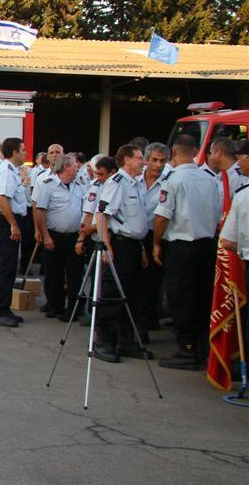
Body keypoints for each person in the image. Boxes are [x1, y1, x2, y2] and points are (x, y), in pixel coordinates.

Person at [153, 134, 221, 370]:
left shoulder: (173, 180)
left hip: (182, 247)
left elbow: (162, 217)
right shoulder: (209, 179)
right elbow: (216, 212)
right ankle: (201, 347)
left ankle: (187, 350)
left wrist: (156, 243)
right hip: (207, 244)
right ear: (195, 151)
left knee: (182, 298)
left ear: (173, 152)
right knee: (202, 297)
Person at [94, 144, 151, 363]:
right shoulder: (117, 183)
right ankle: (104, 342)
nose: (143, 162)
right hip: (120, 245)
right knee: (113, 295)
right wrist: (106, 246)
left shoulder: (136, 184)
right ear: (127, 159)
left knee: (133, 295)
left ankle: (126, 341)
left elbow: (139, 220)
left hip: (135, 245)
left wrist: (143, 248)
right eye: (139, 158)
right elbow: (102, 215)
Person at [35, 153, 84, 321]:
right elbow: (40, 211)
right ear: (65, 168)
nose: (77, 168)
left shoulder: (79, 185)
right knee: (53, 273)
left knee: (74, 274)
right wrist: (45, 235)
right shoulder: (48, 185)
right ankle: (56, 306)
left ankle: (73, 309)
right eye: (74, 165)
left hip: (74, 237)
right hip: (55, 236)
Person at [0, 137, 29, 327]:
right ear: (14, 152)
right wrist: (13, 224)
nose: (25, 153)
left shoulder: (12, 171)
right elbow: (3, 200)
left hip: (11, 220)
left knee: (10, 267)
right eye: (23, 150)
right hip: (6, 221)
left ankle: (5, 308)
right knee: (5, 267)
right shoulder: (6, 171)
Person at [137, 142, 170, 336]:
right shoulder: (135, 180)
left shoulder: (168, 183)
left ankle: (146, 325)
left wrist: (157, 243)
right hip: (135, 236)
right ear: (146, 161)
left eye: (162, 161)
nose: (158, 165)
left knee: (151, 284)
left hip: (156, 237)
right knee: (135, 283)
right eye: (154, 160)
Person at [220, 140, 249, 295]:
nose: (237, 163)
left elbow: (228, 241)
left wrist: (244, 250)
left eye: (240, 158)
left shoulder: (242, 196)